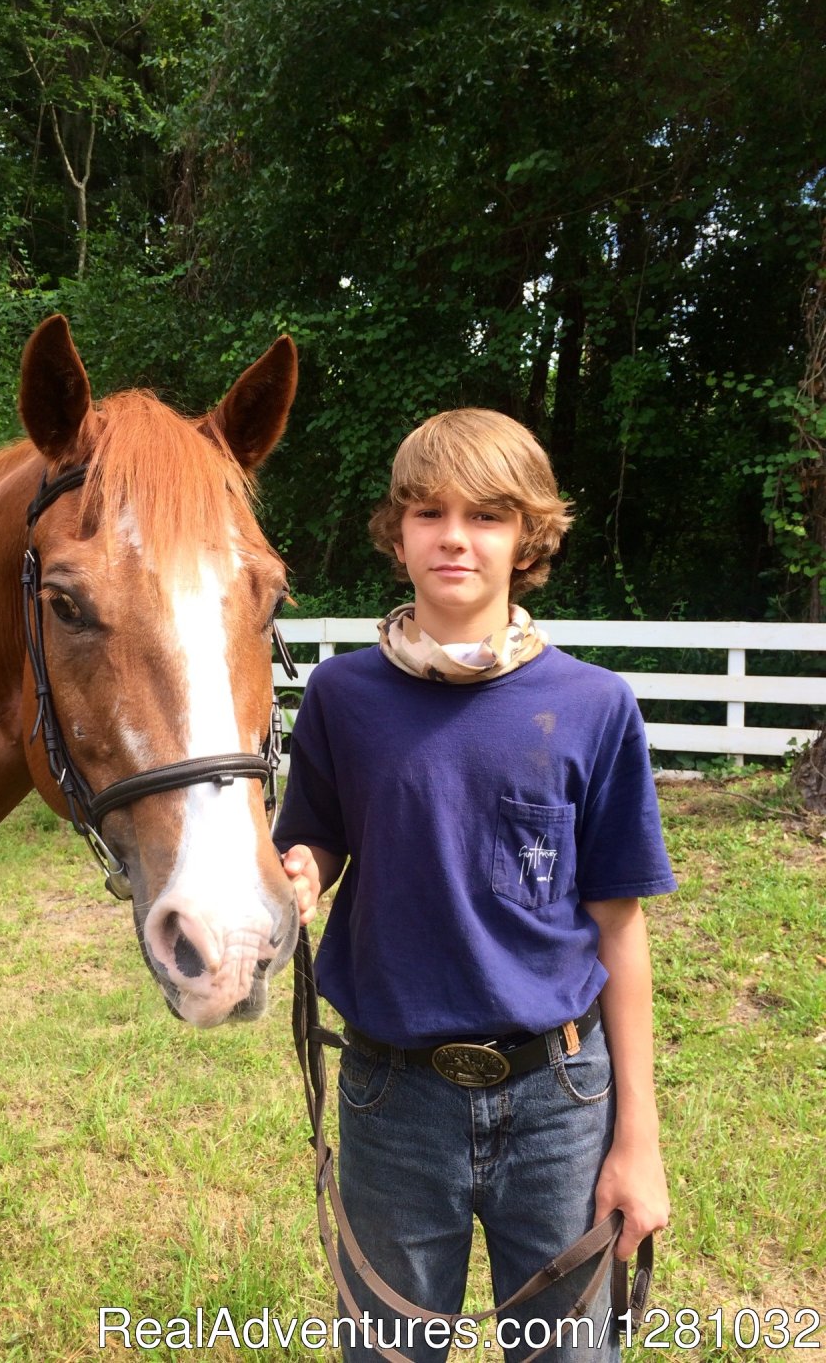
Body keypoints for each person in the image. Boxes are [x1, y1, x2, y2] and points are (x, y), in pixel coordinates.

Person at [277, 409, 675, 1362]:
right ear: (397, 531)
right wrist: (302, 873)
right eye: (429, 512)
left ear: (528, 536)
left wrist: (640, 1142)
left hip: (560, 1100)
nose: (456, 536)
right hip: (392, 1097)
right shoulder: (342, 698)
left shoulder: (594, 707)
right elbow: (318, 843)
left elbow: (618, 932)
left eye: (488, 515)